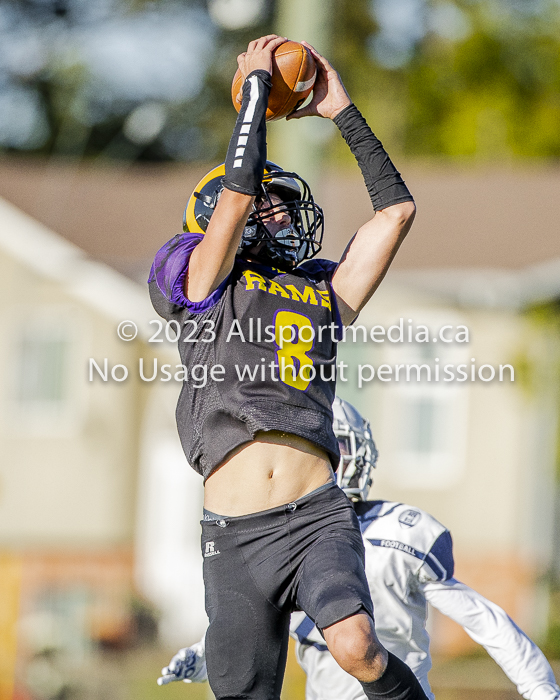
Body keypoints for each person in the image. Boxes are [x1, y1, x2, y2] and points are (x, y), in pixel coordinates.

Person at [149, 33, 420, 700]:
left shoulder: (318, 289)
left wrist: (343, 113)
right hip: (234, 535)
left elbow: (396, 213)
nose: (284, 215)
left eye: (283, 205)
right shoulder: (199, 274)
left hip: (317, 511)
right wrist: (257, 94)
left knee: (356, 645)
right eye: (271, 206)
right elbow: (238, 196)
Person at [158, 398, 560, 700]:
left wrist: (541, 689)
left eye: (334, 448)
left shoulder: (401, 533)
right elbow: (258, 622)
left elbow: (484, 621)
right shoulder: (279, 539)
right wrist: (204, 656)